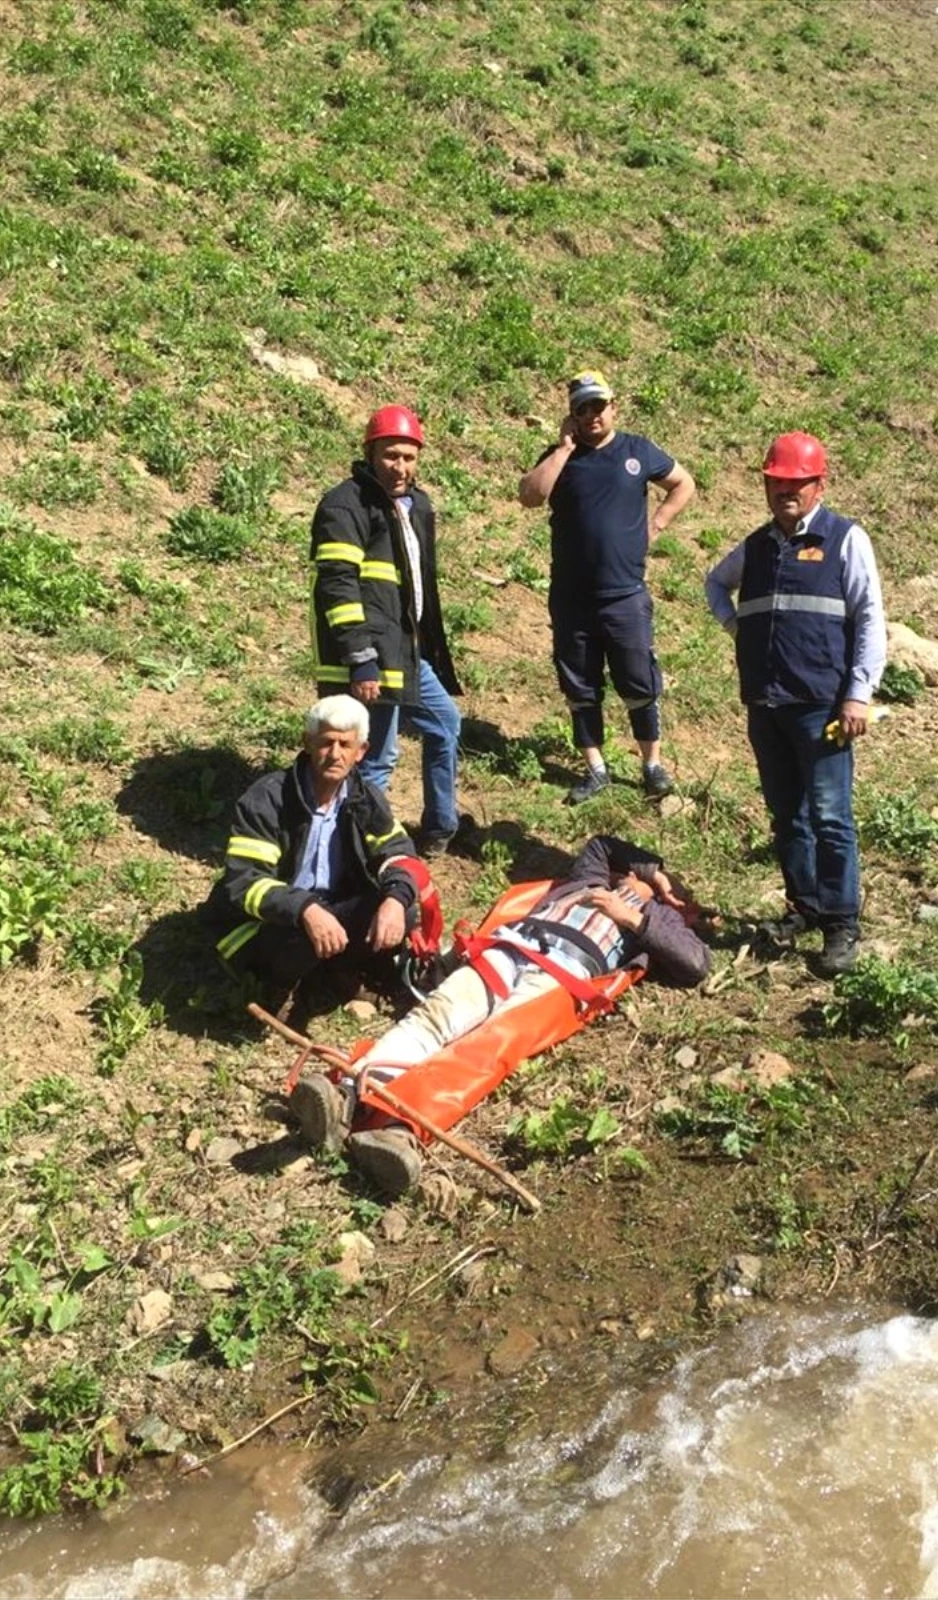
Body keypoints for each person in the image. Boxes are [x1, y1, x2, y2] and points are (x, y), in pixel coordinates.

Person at [290, 834, 710, 1197]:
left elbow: (695, 964)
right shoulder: (591, 879)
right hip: (514, 948)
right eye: (631, 873)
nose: (632, 880)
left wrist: (637, 915)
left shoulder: (661, 922)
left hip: (563, 977)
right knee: (438, 1014)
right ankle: (346, 1091)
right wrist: (651, 870)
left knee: (485, 1046)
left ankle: (400, 1131)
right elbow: (603, 844)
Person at [704, 431, 886, 978]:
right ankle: (803, 906)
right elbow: (715, 584)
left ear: (818, 485)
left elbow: (871, 618)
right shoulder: (757, 546)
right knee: (788, 815)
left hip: (823, 705)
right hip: (767, 704)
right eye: (777, 481)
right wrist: (739, 629)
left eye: (796, 482)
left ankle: (840, 923)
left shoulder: (845, 539)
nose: (785, 490)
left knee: (831, 816)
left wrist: (858, 693)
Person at [517, 370, 696, 804]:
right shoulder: (562, 456)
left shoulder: (637, 449)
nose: (592, 415)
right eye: (582, 408)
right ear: (571, 415)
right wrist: (562, 449)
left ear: (614, 406)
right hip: (573, 599)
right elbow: (529, 495)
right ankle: (596, 769)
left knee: (639, 681)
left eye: (599, 405)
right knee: (580, 686)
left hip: (625, 595)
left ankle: (651, 766)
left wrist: (658, 523)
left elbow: (683, 483)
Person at [206, 696, 427, 1019]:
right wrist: (304, 908)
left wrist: (395, 899)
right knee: (304, 934)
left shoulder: (365, 799)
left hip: (332, 909)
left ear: (361, 752)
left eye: (345, 744)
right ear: (307, 743)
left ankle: (338, 971)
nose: (335, 754)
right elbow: (244, 882)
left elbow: (400, 855)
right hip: (266, 923)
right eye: (326, 742)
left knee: (401, 911)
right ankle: (278, 985)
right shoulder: (268, 798)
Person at [310, 405, 462, 857]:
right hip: (374, 659)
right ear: (369, 453)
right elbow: (338, 587)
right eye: (391, 456)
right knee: (376, 757)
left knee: (445, 726)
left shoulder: (417, 506)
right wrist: (361, 659)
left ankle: (440, 828)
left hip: (408, 652)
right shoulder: (345, 505)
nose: (401, 467)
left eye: (410, 457)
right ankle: (358, 848)